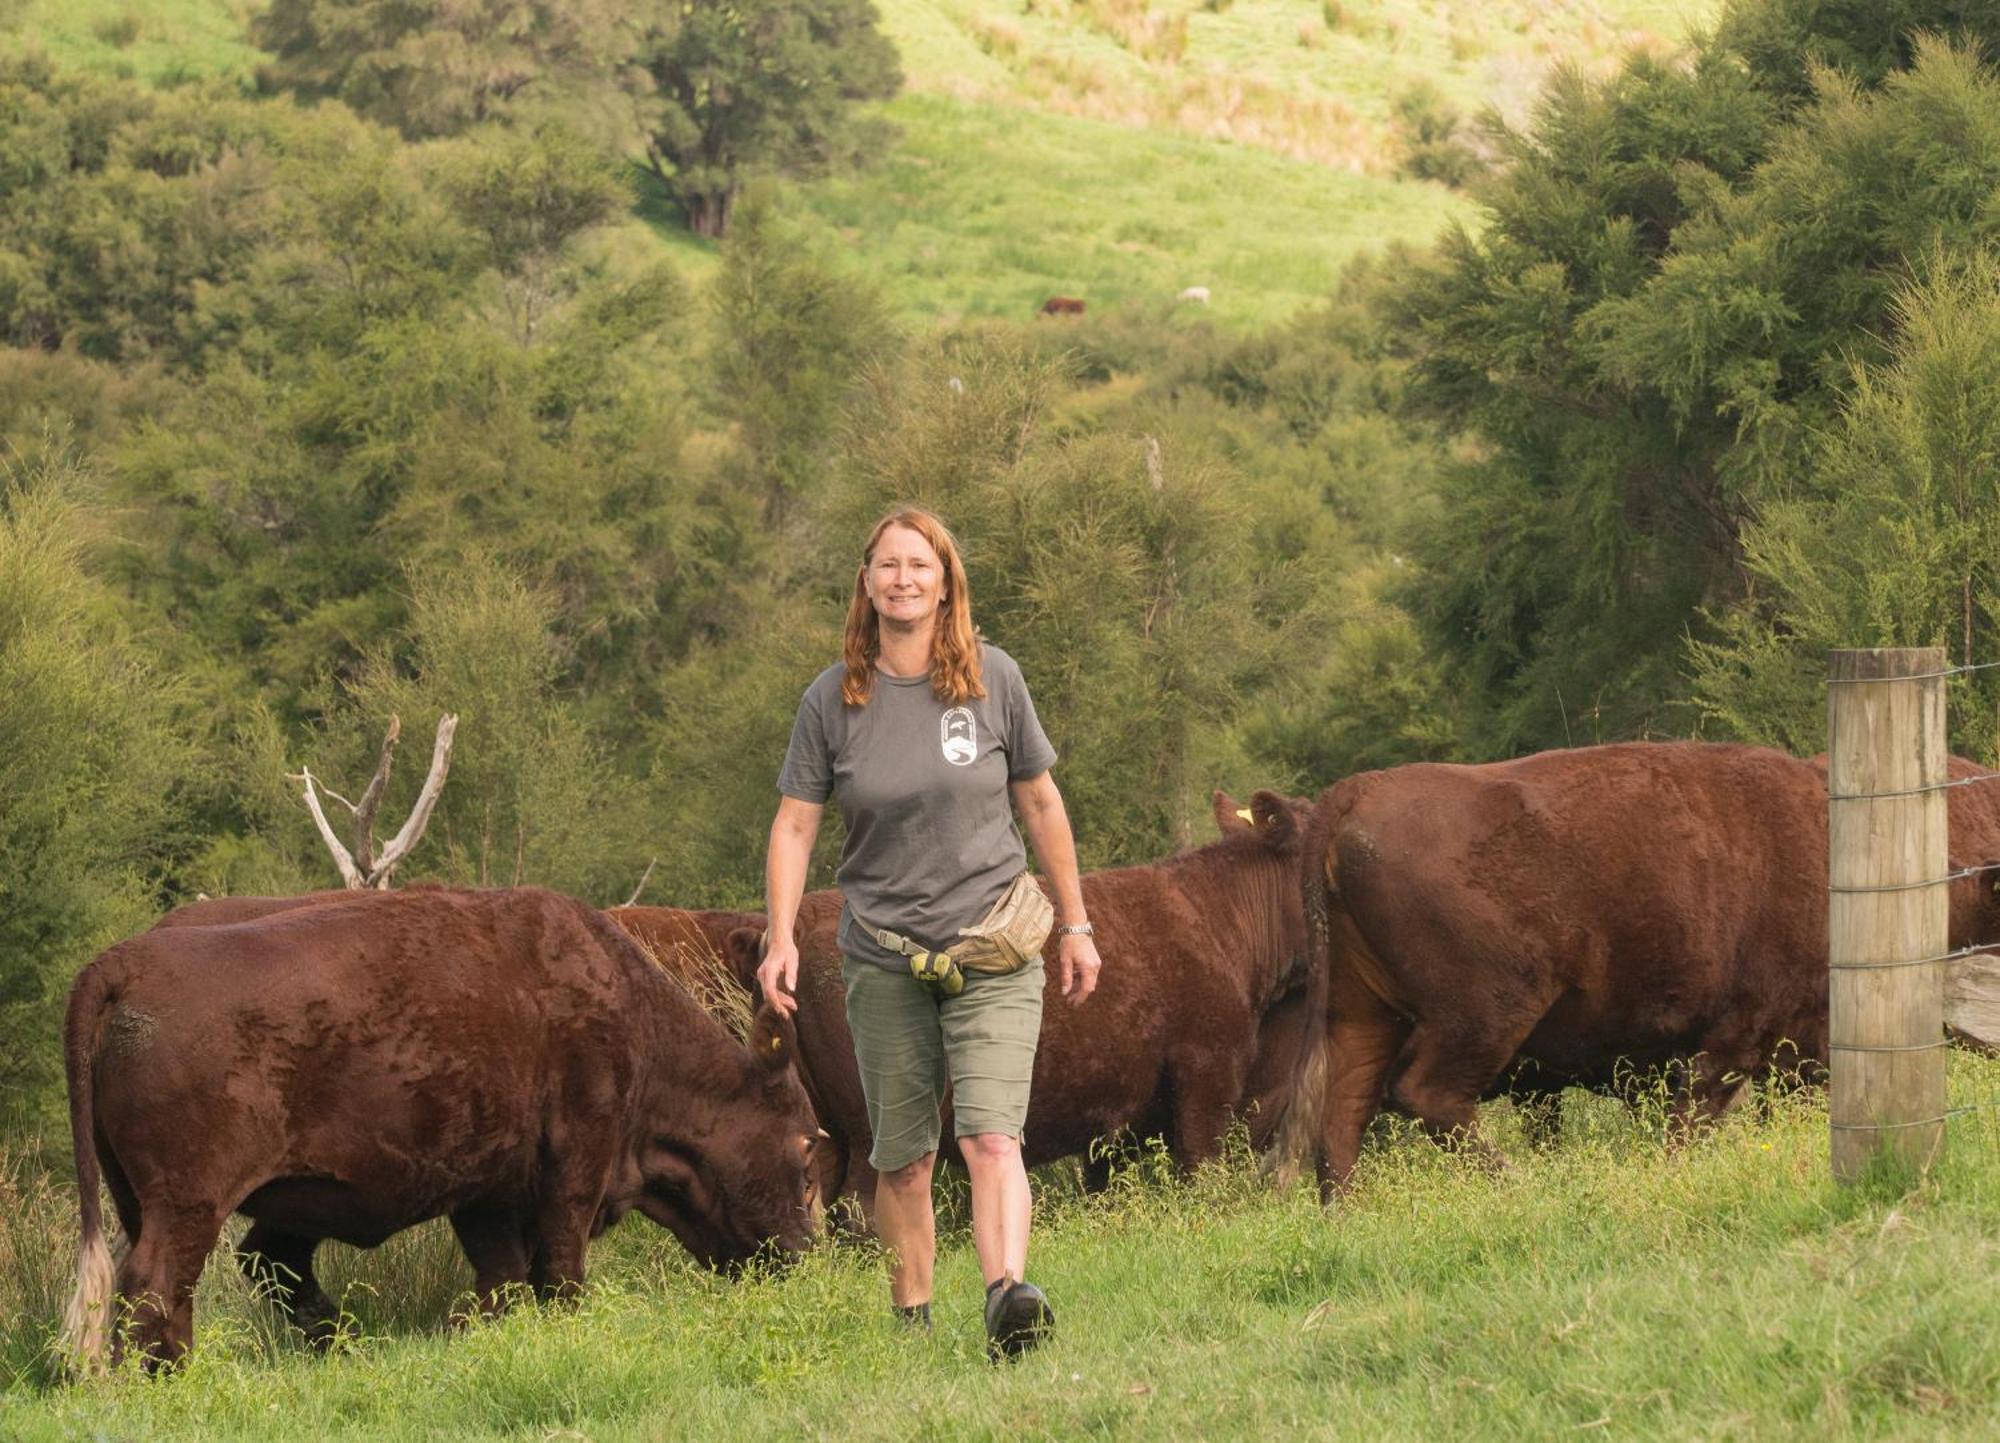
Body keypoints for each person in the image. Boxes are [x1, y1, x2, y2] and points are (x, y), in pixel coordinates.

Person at [758, 506, 1102, 1358]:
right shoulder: (832, 698)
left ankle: (1006, 1299)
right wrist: (780, 936)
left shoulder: (994, 679)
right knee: (904, 1157)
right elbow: (795, 826)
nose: (903, 578)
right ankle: (913, 1320)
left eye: (920, 564)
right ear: (866, 583)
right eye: (888, 565)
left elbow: (1041, 802)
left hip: (993, 943)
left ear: (946, 580)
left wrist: (1077, 924)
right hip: (883, 954)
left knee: (992, 1134)